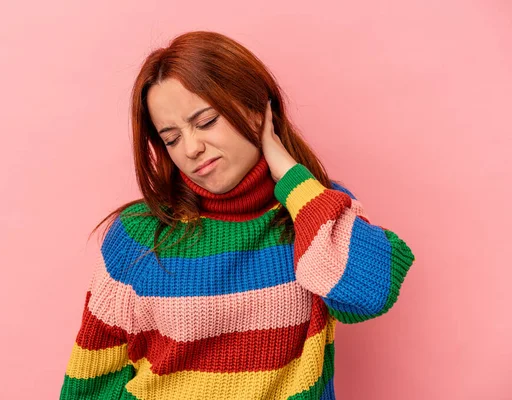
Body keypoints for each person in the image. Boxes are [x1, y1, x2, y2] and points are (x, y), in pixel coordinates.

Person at [58, 30, 415, 400]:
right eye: (172, 138)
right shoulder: (139, 234)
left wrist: (290, 176)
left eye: (206, 121)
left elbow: (369, 294)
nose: (192, 148)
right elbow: (93, 379)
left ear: (254, 109)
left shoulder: (314, 211)